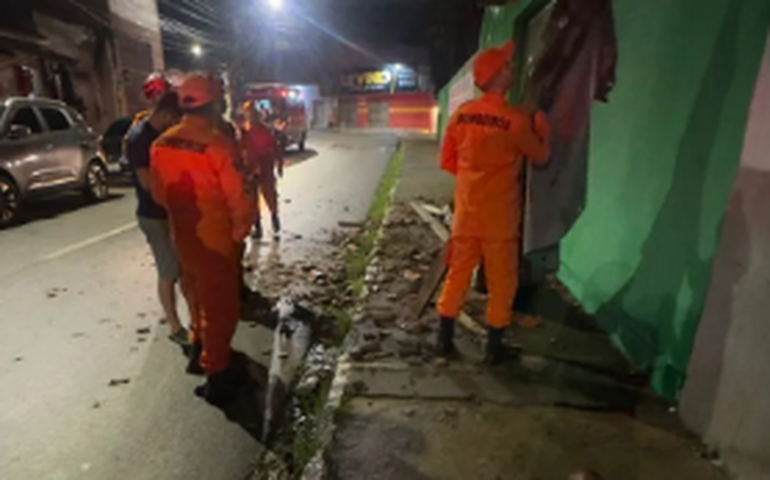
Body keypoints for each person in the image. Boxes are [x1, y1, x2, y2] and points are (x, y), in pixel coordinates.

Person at [435, 40, 552, 365]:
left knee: (457, 274)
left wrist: (475, 177)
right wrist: (544, 130)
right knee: (502, 282)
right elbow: (541, 156)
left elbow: (448, 162)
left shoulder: (461, 116)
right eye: (508, 65)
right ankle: (494, 348)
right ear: (499, 75)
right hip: (499, 219)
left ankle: (443, 339)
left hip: (467, 215)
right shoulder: (515, 121)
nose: (512, 69)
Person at [150, 73, 254, 405]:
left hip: (184, 234)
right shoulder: (218, 144)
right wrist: (240, 230)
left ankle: (199, 349)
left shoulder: (161, 144)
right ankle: (218, 375)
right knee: (220, 306)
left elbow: (159, 193)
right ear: (213, 105)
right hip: (216, 238)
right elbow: (239, 195)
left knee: (195, 296)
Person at [125, 91, 189, 346]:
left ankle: (191, 318)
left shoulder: (160, 136)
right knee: (168, 271)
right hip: (154, 215)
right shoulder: (141, 139)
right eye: (174, 119)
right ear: (164, 114)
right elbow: (147, 182)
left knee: (181, 269)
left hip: (169, 214)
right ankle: (174, 326)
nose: (175, 125)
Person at [241, 101, 283, 240]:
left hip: (262, 166)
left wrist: (279, 163)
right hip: (254, 168)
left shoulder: (259, 131)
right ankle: (261, 224)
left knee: (266, 195)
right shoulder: (246, 131)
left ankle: (270, 219)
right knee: (255, 199)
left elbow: (274, 147)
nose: (251, 116)